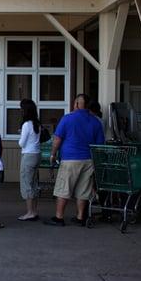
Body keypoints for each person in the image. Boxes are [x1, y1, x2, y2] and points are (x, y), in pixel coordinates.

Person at [44, 94, 105, 227]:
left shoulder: (67, 119)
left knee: (63, 188)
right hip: (88, 160)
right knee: (83, 190)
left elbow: (57, 139)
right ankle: (80, 217)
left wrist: (53, 154)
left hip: (70, 159)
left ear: (76, 104)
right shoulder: (96, 122)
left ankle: (59, 217)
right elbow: (100, 144)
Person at [17, 99, 41, 222]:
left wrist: (20, 135)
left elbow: (22, 143)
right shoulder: (37, 123)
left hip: (28, 155)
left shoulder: (26, 125)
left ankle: (30, 212)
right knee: (34, 184)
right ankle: (35, 211)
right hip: (37, 154)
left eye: (21, 108)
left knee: (27, 184)